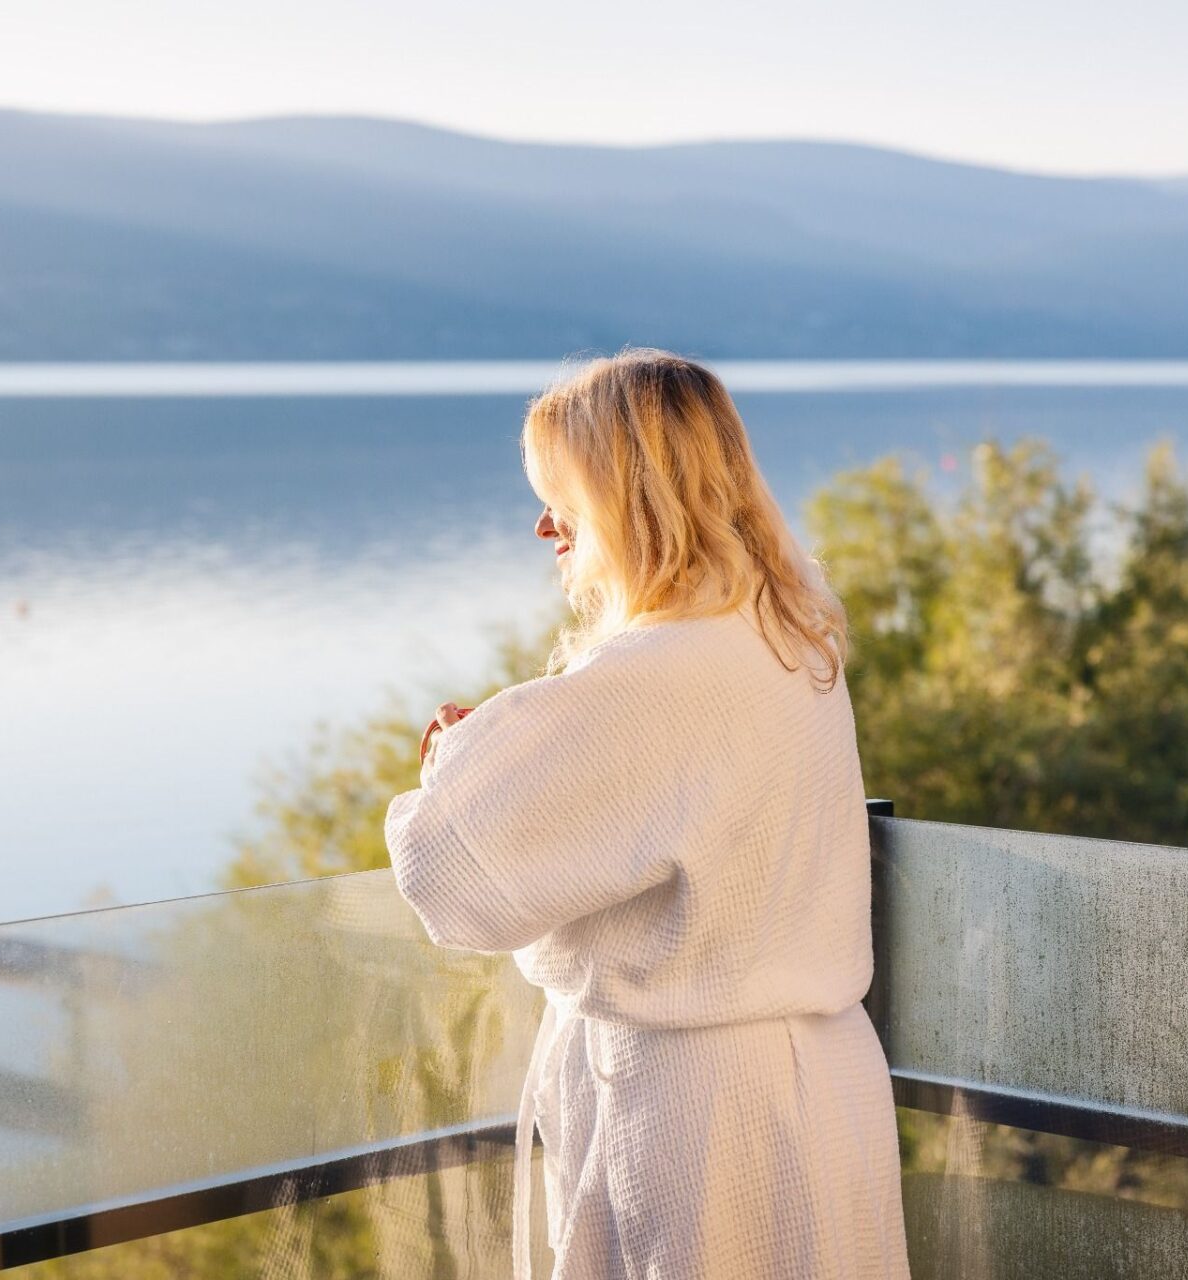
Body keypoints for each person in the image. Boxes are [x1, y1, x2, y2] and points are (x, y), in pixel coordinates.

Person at [384, 350, 910, 1280]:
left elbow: (452, 876)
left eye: (565, 498)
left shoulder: (658, 676)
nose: (546, 525)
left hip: (701, 1123)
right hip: (820, 1087)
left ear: (631, 496)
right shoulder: (788, 638)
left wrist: (449, 761)